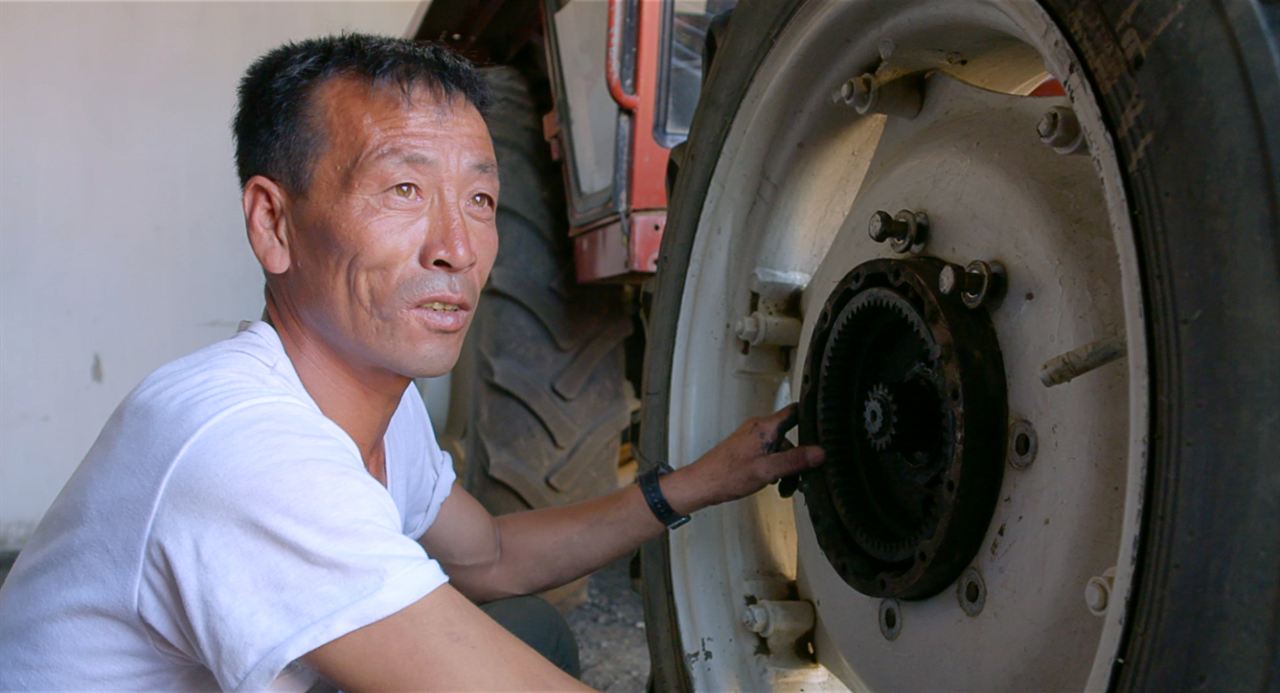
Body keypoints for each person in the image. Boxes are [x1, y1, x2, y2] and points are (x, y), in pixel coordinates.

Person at [0, 34, 824, 690]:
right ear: (273, 224)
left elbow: (492, 554)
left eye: (479, 198)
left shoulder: (377, 413)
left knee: (525, 624)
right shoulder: (239, 447)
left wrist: (696, 482)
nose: (458, 248)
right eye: (402, 190)